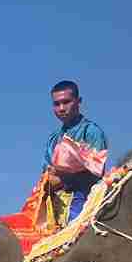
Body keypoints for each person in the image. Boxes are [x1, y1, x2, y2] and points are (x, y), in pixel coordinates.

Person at [42, 81, 108, 224]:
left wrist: (63, 179)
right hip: (56, 207)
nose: (61, 108)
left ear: (78, 102)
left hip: (84, 203)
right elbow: (46, 173)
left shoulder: (91, 132)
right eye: (56, 104)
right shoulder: (54, 138)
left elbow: (97, 172)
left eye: (66, 102)